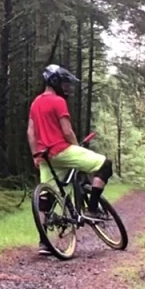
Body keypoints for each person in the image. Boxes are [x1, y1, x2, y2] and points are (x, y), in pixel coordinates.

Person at [28, 64, 112, 254]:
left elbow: (31, 132)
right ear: (54, 81)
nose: (67, 87)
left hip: (45, 156)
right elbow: (67, 131)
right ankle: (92, 209)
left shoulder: (35, 103)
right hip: (62, 151)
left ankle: (44, 242)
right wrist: (76, 147)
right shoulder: (58, 101)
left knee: (46, 198)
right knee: (105, 165)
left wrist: (35, 154)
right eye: (65, 83)